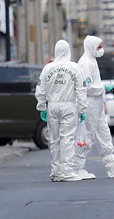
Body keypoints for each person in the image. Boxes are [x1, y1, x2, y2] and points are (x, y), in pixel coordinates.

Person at [74, 35, 114, 178]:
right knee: (87, 136)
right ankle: (77, 168)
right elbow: (87, 87)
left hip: (97, 105)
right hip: (90, 104)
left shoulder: (92, 61)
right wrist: (103, 87)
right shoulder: (86, 63)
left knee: (104, 135)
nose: (101, 50)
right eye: (99, 47)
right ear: (91, 47)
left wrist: (102, 88)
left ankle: (111, 165)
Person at [35, 40, 88, 182]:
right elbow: (81, 90)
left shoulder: (48, 68)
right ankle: (66, 171)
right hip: (69, 106)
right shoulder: (75, 68)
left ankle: (56, 171)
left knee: (54, 139)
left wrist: (42, 107)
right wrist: (82, 108)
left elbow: (40, 89)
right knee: (67, 138)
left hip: (52, 106)